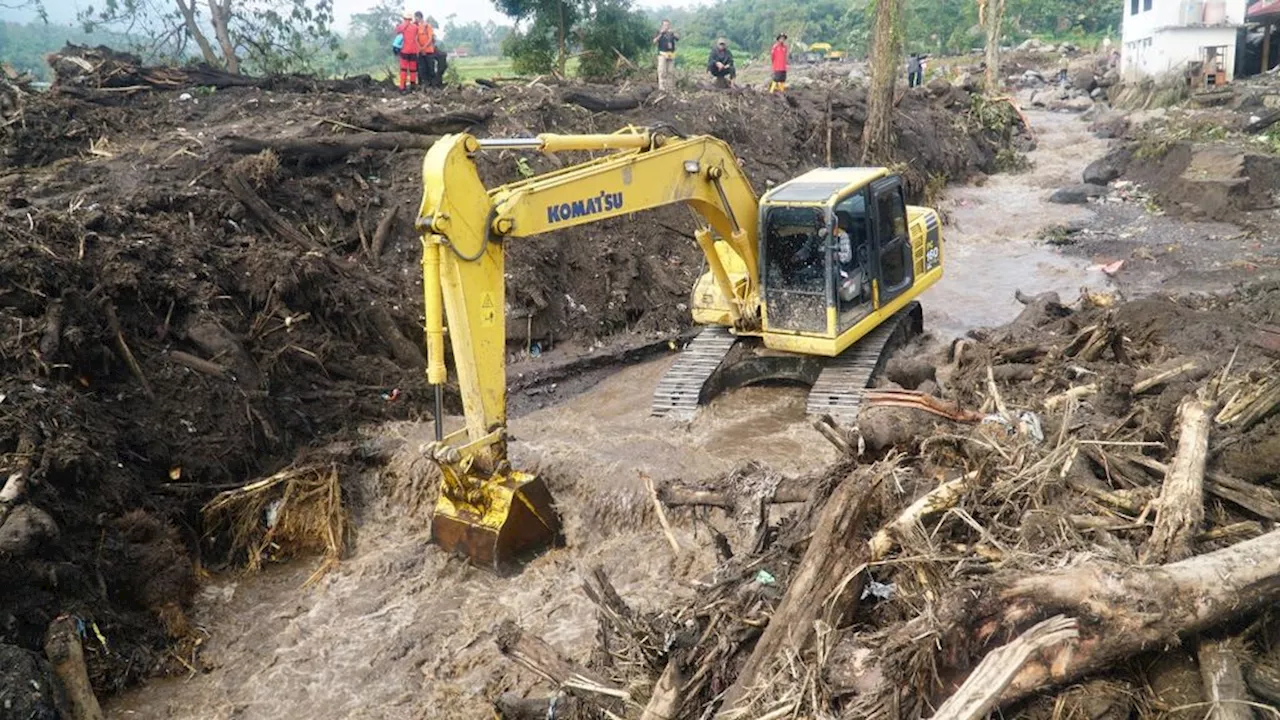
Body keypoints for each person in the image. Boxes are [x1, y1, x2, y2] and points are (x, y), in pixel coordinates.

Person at [394, 11, 421, 91]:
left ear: (404, 18)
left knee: (403, 70)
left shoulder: (402, 26)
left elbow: (397, 31)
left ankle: (402, 87)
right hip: (413, 51)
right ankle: (413, 86)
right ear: (411, 19)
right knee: (413, 70)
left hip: (404, 51)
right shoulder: (415, 27)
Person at [653, 19, 679, 92]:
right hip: (662, 54)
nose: (666, 26)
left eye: (668, 25)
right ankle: (662, 88)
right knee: (662, 71)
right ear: (662, 25)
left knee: (670, 71)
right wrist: (661, 34)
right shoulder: (658, 32)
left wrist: (673, 33)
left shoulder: (671, 33)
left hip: (671, 54)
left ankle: (670, 88)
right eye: (665, 25)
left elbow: (678, 38)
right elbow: (654, 41)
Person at [416, 12, 438, 88]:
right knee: (422, 69)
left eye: (416, 18)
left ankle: (433, 85)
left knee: (431, 69)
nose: (416, 19)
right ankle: (425, 85)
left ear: (419, 17)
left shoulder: (427, 26)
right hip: (421, 52)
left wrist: (424, 48)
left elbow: (430, 38)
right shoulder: (417, 27)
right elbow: (416, 39)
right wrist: (420, 49)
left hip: (429, 51)